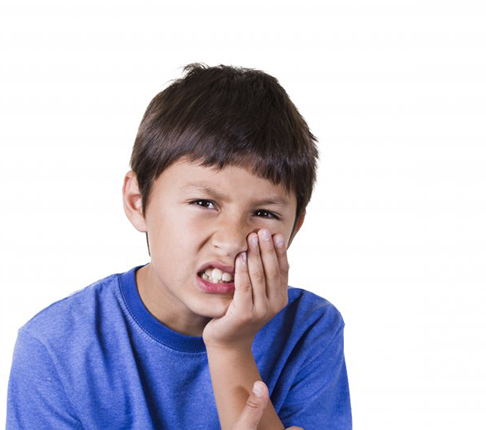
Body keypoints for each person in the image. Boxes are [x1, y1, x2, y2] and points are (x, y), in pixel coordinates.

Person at [7, 63, 352, 429]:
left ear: (295, 227)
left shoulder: (310, 329)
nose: (232, 240)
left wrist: (230, 347)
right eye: (204, 203)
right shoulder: (55, 348)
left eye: (264, 212)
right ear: (138, 201)